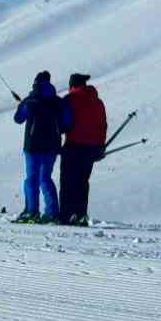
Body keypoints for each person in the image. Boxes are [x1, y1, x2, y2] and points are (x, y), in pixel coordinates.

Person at [11, 71, 62, 222]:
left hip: (33, 146)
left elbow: (18, 119)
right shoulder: (57, 101)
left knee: (31, 179)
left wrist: (21, 105)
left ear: (35, 83)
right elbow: (66, 123)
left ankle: (31, 211)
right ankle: (52, 213)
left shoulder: (31, 100)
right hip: (52, 147)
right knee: (45, 179)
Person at [59, 72, 108, 226]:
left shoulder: (69, 100)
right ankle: (81, 214)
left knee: (68, 181)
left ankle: (67, 215)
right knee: (82, 181)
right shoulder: (98, 102)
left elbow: (64, 124)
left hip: (74, 146)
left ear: (72, 85)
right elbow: (103, 125)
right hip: (92, 149)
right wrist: (100, 146)